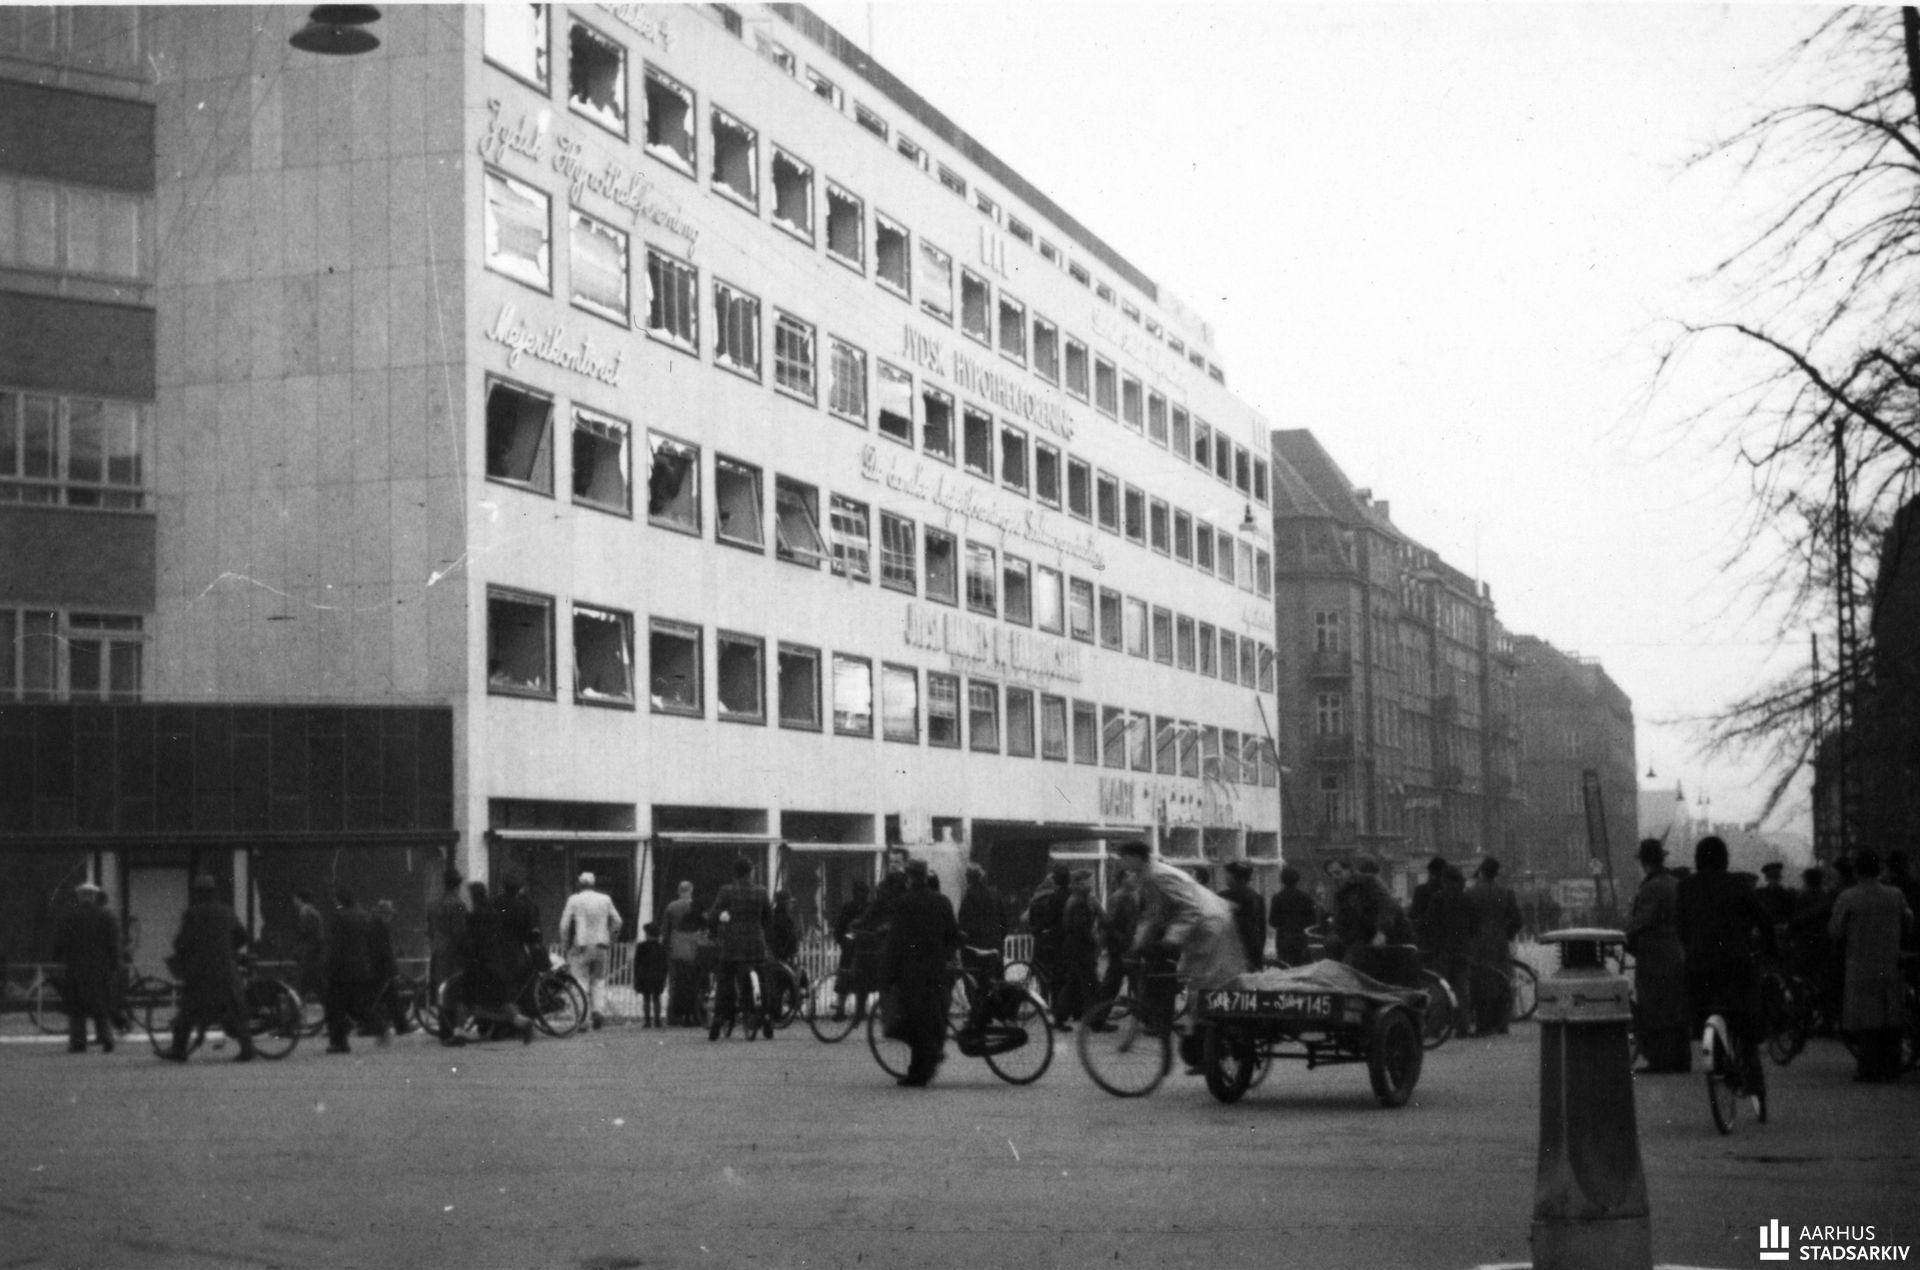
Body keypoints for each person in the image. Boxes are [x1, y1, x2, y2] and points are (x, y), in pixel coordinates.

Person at [1113, 840, 1246, 1069]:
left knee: (1206, 988)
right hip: (1200, 928)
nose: (1122, 863)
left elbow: (1189, 908)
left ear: (1136, 857)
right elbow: (1154, 916)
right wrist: (1137, 945)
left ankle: (1214, 1048)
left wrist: (1170, 940)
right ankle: (1206, 1046)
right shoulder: (1147, 877)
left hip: (1209, 926)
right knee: (1199, 987)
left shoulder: (1159, 875)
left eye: (1124, 858)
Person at [1676, 836, 1777, 1094]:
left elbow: (1681, 927)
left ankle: (1713, 1049)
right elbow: (1764, 920)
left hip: (1699, 966)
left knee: (1704, 1010)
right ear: (1725, 859)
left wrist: (1693, 948)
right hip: (1735, 963)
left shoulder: (1685, 887)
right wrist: (1769, 949)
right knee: (1744, 1017)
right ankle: (1751, 1070)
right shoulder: (1738, 884)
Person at [1829, 850, 1915, 1082]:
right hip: (1890, 962)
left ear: (1857, 871)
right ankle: (1892, 1067)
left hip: (1861, 964)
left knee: (1865, 1019)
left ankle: (1868, 1068)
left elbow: (1835, 930)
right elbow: (1908, 920)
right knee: (1890, 1016)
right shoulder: (1895, 894)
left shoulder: (1848, 897)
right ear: (1879, 870)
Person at [880, 857, 959, 1087]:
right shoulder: (942, 901)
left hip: (911, 971)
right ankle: (922, 1066)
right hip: (936, 970)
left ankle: (921, 1068)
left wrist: (888, 973)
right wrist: (943, 956)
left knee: (913, 1020)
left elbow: (895, 941)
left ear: (909, 876)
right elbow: (953, 935)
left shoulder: (903, 903)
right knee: (930, 1017)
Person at [163, 876, 255, 1063]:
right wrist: (228, 950)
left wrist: (187, 955)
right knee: (235, 1011)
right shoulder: (226, 911)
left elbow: (181, 943)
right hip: (227, 971)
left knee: (187, 1012)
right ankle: (248, 1049)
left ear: (198, 893)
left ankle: (178, 1050)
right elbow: (243, 936)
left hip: (201, 972)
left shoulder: (192, 913)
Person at [1624, 839, 1690, 1073]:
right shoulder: (1674, 883)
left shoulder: (1652, 887)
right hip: (1675, 950)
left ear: (1644, 862)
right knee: (1676, 1007)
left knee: (1654, 1007)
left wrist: (1625, 934)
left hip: (1655, 955)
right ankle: (1681, 1059)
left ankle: (1660, 1060)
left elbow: (1641, 921)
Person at [707, 857, 774, 1041]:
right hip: (755, 944)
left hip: (733, 945)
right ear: (750, 872)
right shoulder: (761, 891)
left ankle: (718, 1019)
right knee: (762, 981)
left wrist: (718, 922)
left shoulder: (726, 891)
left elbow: (713, 915)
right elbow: (768, 919)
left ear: (735, 873)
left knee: (725, 980)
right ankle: (766, 1018)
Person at [460, 881, 534, 1044]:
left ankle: (459, 1031)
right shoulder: (493, 914)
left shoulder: (473, 917)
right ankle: (521, 1021)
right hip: (496, 963)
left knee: (472, 1001)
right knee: (500, 1001)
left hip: (480, 965)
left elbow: (470, 941)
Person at [52, 881, 120, 1054]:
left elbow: (60, 942)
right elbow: (113, 943)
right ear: (95, 897)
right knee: (101, 1005)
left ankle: (78, 1041)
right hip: (101, 968)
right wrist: (114, 964)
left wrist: (56, 958)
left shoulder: (71, 916)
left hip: (76, 968)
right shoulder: (107, 916)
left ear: (79, 897)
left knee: (77, 1008)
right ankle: (107, 1038)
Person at [1465, 858, 1524, 1035]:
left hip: (1478, 943)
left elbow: (1467, 919)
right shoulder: (1506, 893)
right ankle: (1502, 1023)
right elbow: (1517, 920)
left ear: (1482, 872)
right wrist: (1506, 934)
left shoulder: (1471, 893)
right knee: (1501, 980)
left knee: (1481, 982)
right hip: (1499, 942)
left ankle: (1484, 1024)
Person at [559, 871, 623, 1031]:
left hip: (581, 945)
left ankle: (583, 1018)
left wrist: (565, 944)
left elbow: (564, 925)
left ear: (579, 884)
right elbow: (617, 921)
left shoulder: (574, 900)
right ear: (594, 884)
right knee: (598, 980)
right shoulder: (605, 899)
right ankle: (598, 1010)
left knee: (580, 981)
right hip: (601, 944)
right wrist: (611, 938)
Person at [325, 889, 379, 1053]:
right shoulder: (364, 915)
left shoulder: (340, 917)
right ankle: (380, 1026)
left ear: (340, 901)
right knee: (355, 1004)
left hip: (341, 968)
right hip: (360, 967)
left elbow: (336, 945)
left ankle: (339, 1042)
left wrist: (329, 966)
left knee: (335, 1006)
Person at [1056, 869, 1103, 1029]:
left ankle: (1059, 1017)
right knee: (1090, 984)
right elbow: (1081, 928)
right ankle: (1095, 1020)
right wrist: (1094, 940)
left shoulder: (1082, 899)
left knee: (1073, 983)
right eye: (1087, 881)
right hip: (1080, 948)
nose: (1090, 884)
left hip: (1075, 947)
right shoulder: (1079, 902)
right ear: (1077, 883)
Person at [1026, 866, 1071, 1019]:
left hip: (1046, 940)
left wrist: (1035, 929)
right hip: (1062, 940)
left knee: (1043, 975)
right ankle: (1060, 1008)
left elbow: (1039, 920)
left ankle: (1045, 1004)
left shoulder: (1040, 901)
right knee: (1058, 975)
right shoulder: (1067, 895)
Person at [426, 869, 467, 1033]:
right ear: (458, 885)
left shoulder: (433, 905)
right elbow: (460, 933)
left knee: (441, 990)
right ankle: (451, 1029)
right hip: (453, 954)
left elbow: (430, 930)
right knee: (454, 991)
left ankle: (444, 1027)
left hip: (438, 952)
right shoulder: (458, 905)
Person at [369, 898, 413, 1037]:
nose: (390, 918)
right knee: (386, 998)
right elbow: (385, 950)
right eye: (388, 915)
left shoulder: (372, 925)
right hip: (382, 968)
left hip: (375, 967)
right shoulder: (382, 927)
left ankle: (401, 1026)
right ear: (383, 914)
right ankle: (400, 1026)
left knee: (389, 998)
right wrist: (393, 969)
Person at [832, 878, 872, 1023]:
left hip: (852, 948)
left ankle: (843, 1009)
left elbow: (839, 928)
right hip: (858, 948)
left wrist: (843, 941)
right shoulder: (867, 907)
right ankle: (854, 1010)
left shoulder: (849, 907)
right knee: (856, 979)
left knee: (847, 979)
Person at [1098, 868, 1142, 1002]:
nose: (1134, 879)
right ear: (1123, 880)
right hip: (1120, 946)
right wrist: (1122, 941)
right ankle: (1101, 1010)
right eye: (1130, 876)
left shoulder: (1133, 896)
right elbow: (1109, 923)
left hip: (1128, 944)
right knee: (1114, 980)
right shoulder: (1118, 897)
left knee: (1132, 979)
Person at [956, 864, 1008, 977]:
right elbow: (1004, 921)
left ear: (969, 879)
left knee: (977, 981)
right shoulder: (994, 894)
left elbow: (963, 924)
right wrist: (999, 939)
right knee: (997, 981)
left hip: (976, 949)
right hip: (995, 946)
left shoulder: (969, 897)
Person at [664, 881, 703, 1027]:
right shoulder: (695, 906)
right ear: (691, 890)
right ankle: (694, 1014)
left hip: (675, 947)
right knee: (693, 982)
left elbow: (666, 930)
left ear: (678, 891)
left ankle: (673, 1016)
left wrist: (666, 947)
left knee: (674, 982)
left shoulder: (671, 907)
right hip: (693, 947)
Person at [1219, 860, 1268, 970]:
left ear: (1234, 876)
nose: (1225, 877)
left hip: (1232, 950)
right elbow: (1262, 928)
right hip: (1254, 948)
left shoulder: (1224, 896)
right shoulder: (1257, 897)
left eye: (1227, 874)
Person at [1267, 865, 1319, 967]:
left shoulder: (1277, 898)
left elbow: (1273, 921)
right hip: (1301, 939)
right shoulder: (1306, 897)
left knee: (1285, 967)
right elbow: (1312, 921)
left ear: (1282, 880)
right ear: (1297, 880)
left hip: (1283, 939)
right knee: (1301, 967)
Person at [291, 888, 328, 1007]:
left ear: (300, 899)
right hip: (311, 956)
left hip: (310, 956)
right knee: (313, 985)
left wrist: (303, 953)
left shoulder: (308, 913)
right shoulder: (310, 912)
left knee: (305, 984)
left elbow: (310, 937)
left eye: (295, 898)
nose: (293, 901)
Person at [633, 922, 668, 1029]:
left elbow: (637, 963)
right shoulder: (661, 947)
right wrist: (664, 977)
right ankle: (657, 1021)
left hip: (644, 975)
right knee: (657, 998)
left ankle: (647, 1021)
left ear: (647, 934)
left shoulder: (641, 947)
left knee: (646, 998)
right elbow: (665, 964)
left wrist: (636, 977)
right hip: (658, 975)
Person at [1755, 862, 1796, 929]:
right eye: (1771, 877)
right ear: (1767, 879)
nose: (1774, 880)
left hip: (1781, 926)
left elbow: (1791, 913)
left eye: (1776, 877)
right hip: (1764, 926)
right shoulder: (1759, 893)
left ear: (1780, 878)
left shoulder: (1788, 894)